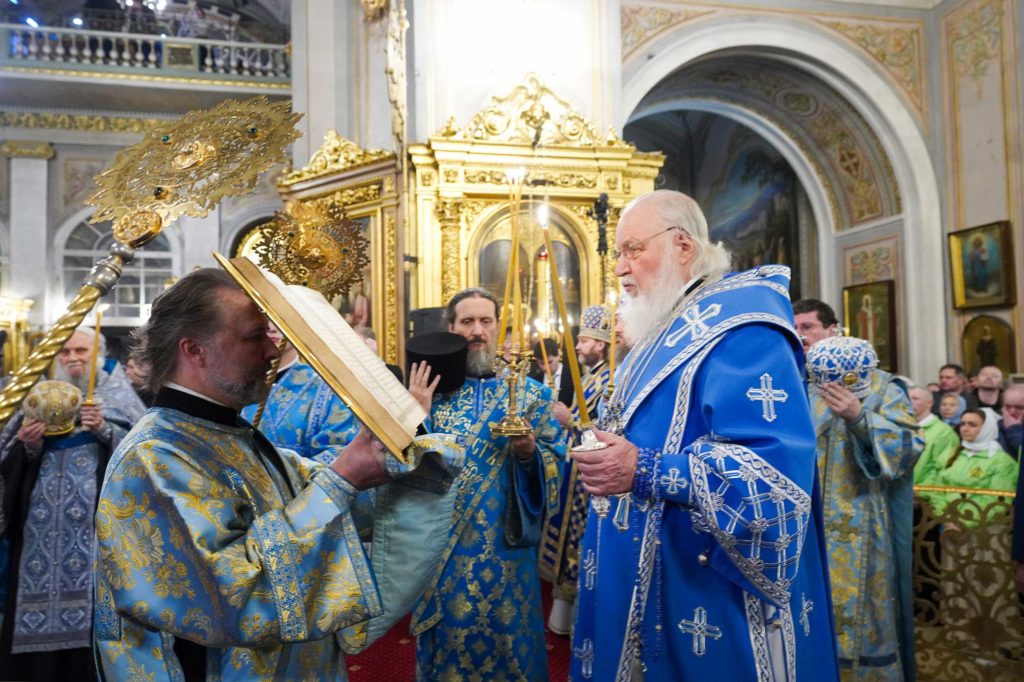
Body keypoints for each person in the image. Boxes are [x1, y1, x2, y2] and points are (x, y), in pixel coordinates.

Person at [92, 268, 461, 680]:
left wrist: (398, 461)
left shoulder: (231, 436)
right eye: (254, 337)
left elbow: (330, 500)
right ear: (194, 350)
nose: (272, 351)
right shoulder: (156, 456)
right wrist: (341, 479)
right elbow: (237, 595)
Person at [570, 190, 837, 680]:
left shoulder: (743, 329)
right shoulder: (667, 329)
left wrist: (646, 469)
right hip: (647, 572)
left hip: (710, 588)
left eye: (633, 249)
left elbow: (773, 479)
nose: (620, 268)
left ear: (683, 246)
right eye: (618, 254)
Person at [408, 287, 566, 681]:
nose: (477, 331)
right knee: (447, 654)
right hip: (443, 556)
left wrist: (530, 452)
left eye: (485, 321)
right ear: (451, 328)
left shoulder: (531, 396)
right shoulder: (430, 396)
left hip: (508, 554)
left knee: (511, 654)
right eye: (467, 322)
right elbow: (401, 470)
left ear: (498, 327)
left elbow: (558, 468)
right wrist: (416, 417)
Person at [0, 327, 145, 680]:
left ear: (98, 353)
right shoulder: (34, 397)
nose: (73, 358)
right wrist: (27, 444)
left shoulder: (118, 398)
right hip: (38, 536)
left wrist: (106, 432)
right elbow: (8, 458)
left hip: (96, 537)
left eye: (81, 350)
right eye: (64, 352)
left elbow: (144, 456)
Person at [793, 298, 923, 681]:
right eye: (794, 327)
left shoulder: (883, 386)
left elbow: (908, 447)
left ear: (833, 329)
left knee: (866, 620)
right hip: (805, 526)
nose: (800, 336)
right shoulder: (792, 387)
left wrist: (860, 418)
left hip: (865, 523)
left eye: (808, 327)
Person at [542, 304, 612, 635]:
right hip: (575, 474)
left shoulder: (610, 379)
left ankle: (580, 622)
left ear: (600, 344)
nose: (579, 347)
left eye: (584, 340)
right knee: (570, 540)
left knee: (581, 544)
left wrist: (569, 419)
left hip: (590, 481)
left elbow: (609, 429)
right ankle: (564, 618)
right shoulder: (590, 377)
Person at [240, 322, 360, 465]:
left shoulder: (328, 388)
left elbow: (340, 454)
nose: (272, 328)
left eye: (279, 318)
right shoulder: (235, 382)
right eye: (265, 318)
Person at [931, 408, 1017, 519]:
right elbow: (937, 489)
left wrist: (963, 523)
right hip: (946, 523)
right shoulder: (951, 454)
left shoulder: (1002, 461)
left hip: (983, 529)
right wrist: (944, 517)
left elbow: (998, 503)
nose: (965, 429)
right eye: (962, 424)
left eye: (972, 425)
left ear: (987, 428)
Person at [910, 386, 961, 491]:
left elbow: (941, 470)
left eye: (915, 398)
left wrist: (921, 493)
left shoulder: (944, 433)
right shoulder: (902, 428)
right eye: (907, 398)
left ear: (929, 403)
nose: (909, 402)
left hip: (923, 497)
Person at [999, 383, 1024, 459]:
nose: (1012, 412)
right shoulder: (993, 428)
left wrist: (1013, 429)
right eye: (1007, 406)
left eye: (1019, 407)